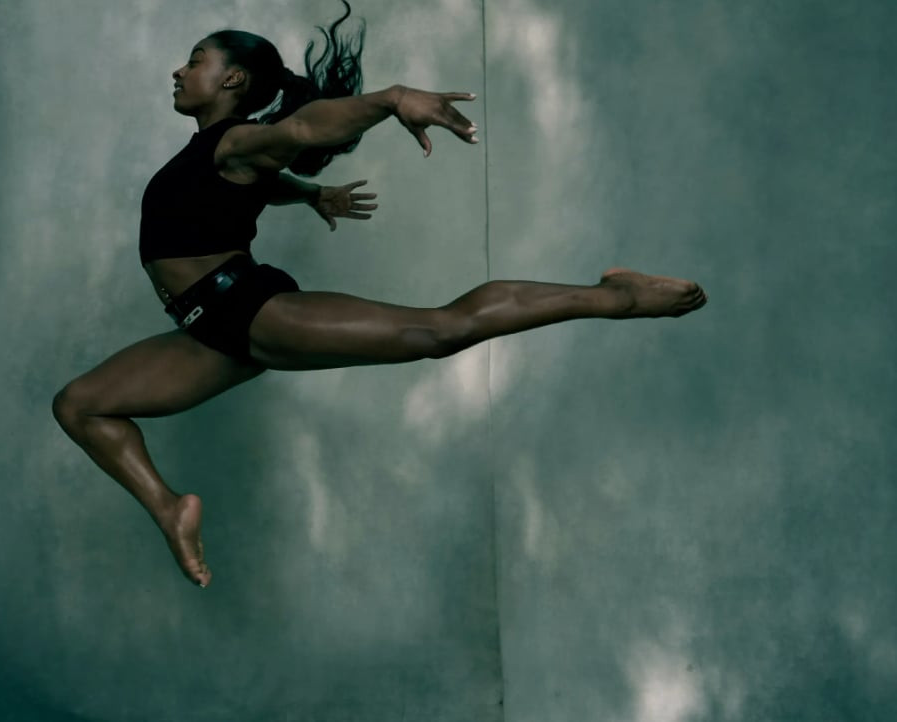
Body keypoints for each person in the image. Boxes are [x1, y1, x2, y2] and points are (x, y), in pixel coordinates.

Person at [52, 1, 707, 589]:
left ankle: (616, 296)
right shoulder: (216, 156)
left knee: (440, 332)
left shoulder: (235, 141)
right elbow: (261, 179)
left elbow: (303, 132)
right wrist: (315, 196)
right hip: (207, 330)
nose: (178, 71)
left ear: (232, 80)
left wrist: (393, 98)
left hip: (244, 308)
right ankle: (171, 510)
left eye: (195, 61)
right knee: (79, 406)